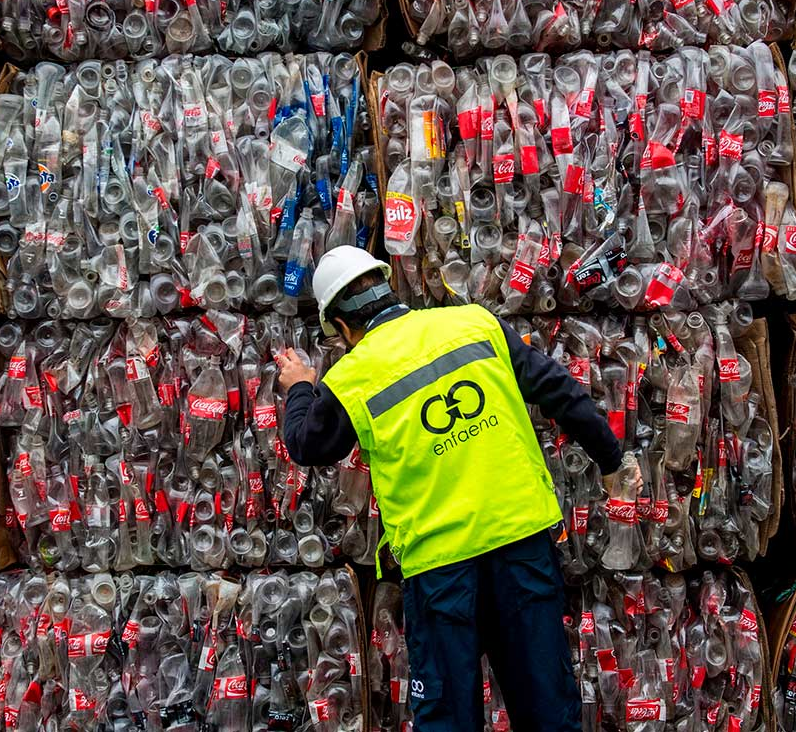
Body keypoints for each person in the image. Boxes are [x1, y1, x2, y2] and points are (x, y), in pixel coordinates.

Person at [274, 245, 642, 732]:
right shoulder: (474, 322)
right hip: (522, 546)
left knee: (449, 720)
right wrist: (613, 461)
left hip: (442, 570)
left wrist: (301, 385)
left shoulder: (351, 376)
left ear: (341, 328)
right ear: (387, 290)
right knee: (549, 713)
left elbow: (304, 443)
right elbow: (560, 391)